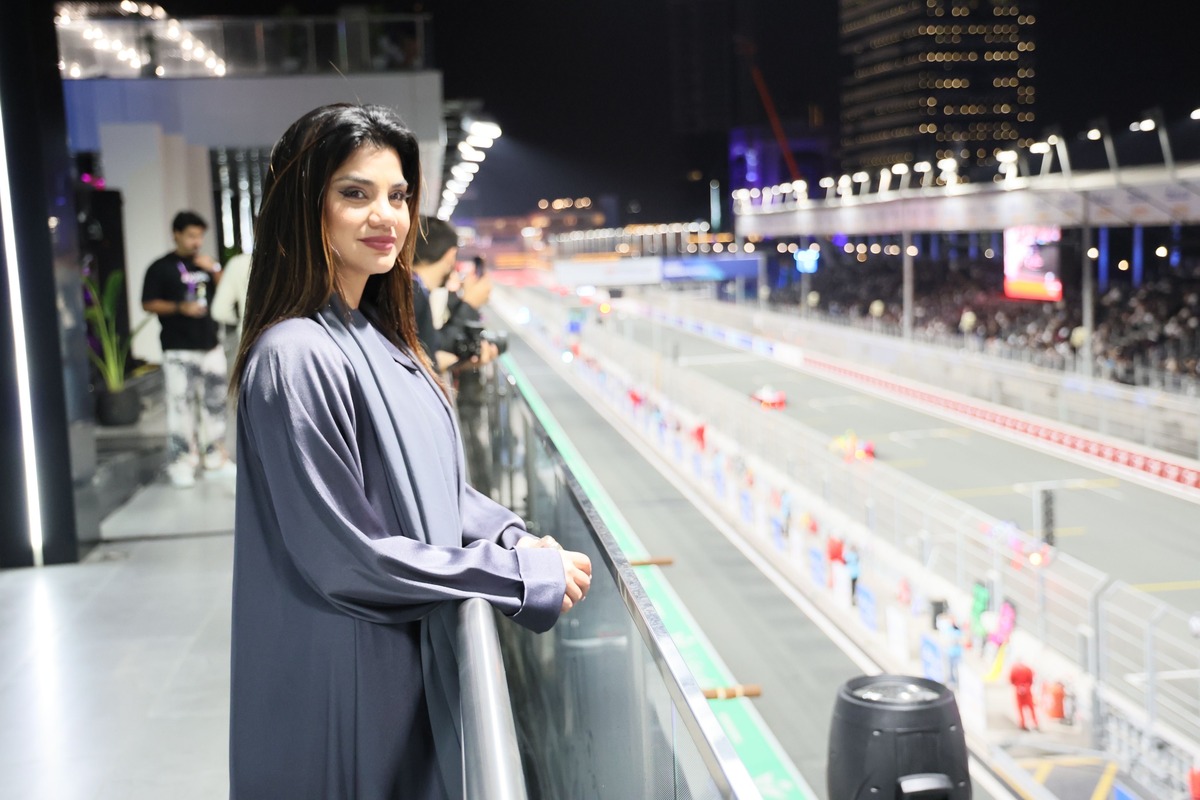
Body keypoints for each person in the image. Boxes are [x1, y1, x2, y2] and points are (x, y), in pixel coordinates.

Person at [227, 102, 592, 800]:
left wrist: (512, 537)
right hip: (347, 673)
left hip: (403, 657)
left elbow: (432, 486)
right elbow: (346, 555)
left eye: (397, 195)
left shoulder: (377, 337)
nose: (386, 216)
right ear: (306, 205)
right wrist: (511, 575)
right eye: (355, 193)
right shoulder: (295, 356)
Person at [140, 210, 233, 487]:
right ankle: (182, 463)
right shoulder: (161, 267)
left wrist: (214, 269)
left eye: (200, 236)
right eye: (191, 235)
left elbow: (227, 293)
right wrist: (180, 307)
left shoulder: (206, 265)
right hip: (178, 349)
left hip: (210, 345)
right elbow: (148, 303)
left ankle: (215, 458)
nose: (196, 242)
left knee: (215, 404)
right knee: (180, 408)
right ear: (177, 234)